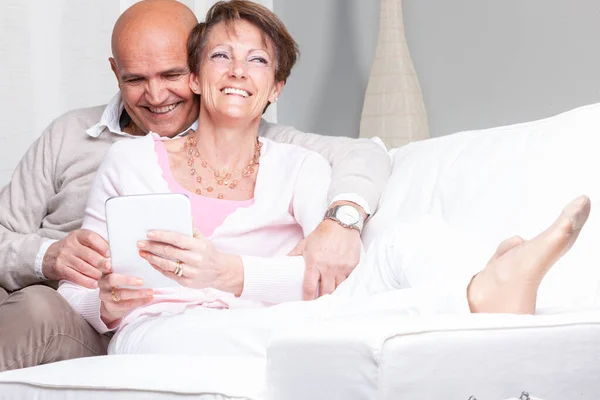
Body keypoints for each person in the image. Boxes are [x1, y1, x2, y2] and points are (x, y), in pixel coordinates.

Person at [58, 0, 592, 358]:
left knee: (403, 243)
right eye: (221, 55)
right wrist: (104, 304)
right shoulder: (130, 164)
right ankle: (475, 299)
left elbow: (331, 281)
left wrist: (231, 274)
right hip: (163, 329)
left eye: (257, 61)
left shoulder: (301, 168)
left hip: (278, 316)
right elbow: (74, 286)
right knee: (278, 332)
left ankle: (486, 286)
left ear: (276, 88)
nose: (238, 70)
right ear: (197, 78)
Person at [0, 0, 391, 371]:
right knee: (35, 306)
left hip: (200, 325)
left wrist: (342, 219)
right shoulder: (86, 142)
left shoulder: (288, 153)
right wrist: (47, 257)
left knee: (403, 250)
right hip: (91, 313)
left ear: (192, 72)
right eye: (134, 79)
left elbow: (368, 155)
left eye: (170, 75)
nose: (155, 96)